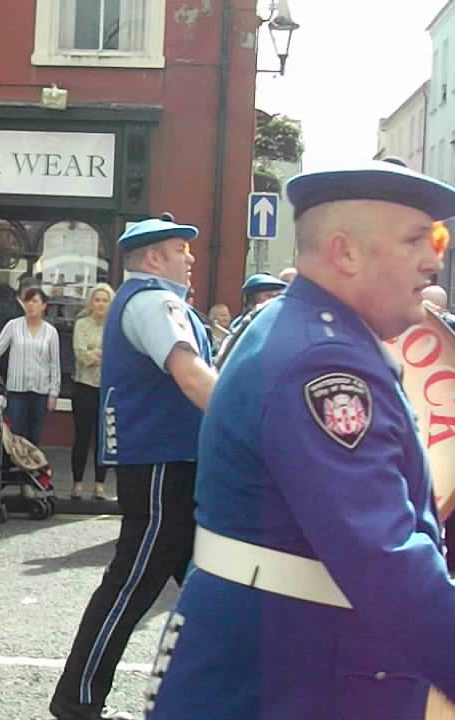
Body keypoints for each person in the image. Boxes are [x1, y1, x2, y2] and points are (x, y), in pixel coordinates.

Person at [145, 162, 455, 719]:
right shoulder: (325, 361)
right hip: (293, 682)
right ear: (346, 252)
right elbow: (383, 557)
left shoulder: (316, 333)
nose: (435, 259)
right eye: (418, 239)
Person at [50, 212, 216, 720]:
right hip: (164, 461)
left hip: (170, 458)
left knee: (210, 585)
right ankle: (77, 698)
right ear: (152, 258)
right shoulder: (154, 301)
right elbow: (191, 377)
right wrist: (254, 423)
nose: (190, 257)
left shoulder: (155, 301)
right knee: (133, 583)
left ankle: (225, 693)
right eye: (179, 248)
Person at [0, 286, 62, 445]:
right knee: (15, 435)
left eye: (35, 301)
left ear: (44, 305)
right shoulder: (13, 326)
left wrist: (54, 393)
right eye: (27, 301)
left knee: (35, 436)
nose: (30, 305)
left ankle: (32, 469)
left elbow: (54, 365)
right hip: (17, 391)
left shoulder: (51, 332)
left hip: (40, 392)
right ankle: (14, 468)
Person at [70, 283, 113, 501]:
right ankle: (77, 484)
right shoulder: (81, 324)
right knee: (82, 437)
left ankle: (99, 485)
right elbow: (80, 354)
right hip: (83, 387)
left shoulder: (114, 327)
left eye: (105, 300)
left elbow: (115, 356)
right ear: (91, 303)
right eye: (97, 300)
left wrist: (93, 352)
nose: (101, 304)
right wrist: (99, 355)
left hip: (105, 389)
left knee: (102, 439)